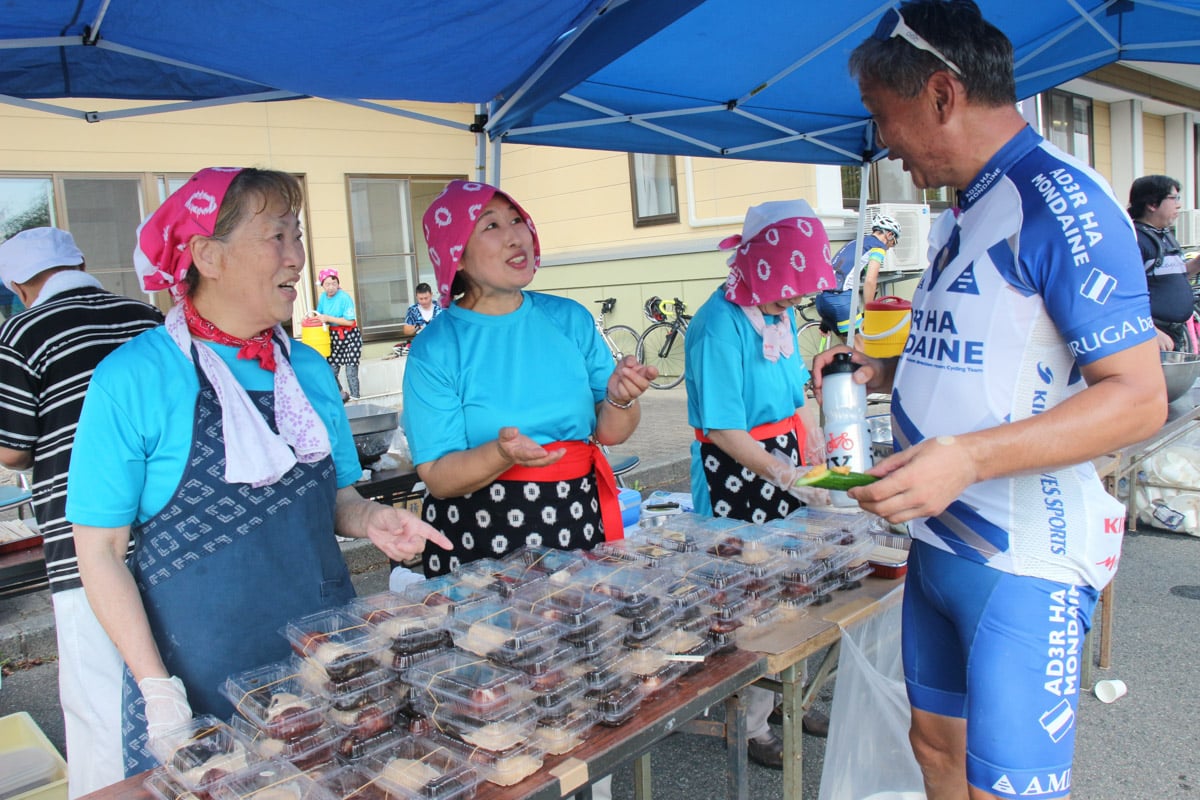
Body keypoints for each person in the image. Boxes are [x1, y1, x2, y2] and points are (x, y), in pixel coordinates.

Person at [822, 3, 1168, 799]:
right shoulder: (964, 212)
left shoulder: (1060, 202)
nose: (883, 142)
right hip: (940, 544)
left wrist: (969, 456)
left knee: (1006, 788)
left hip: (1025, 554)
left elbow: (1138, 399)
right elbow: (987, 348)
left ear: (942, 94)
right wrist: (879, 369)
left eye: (885, 117)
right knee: (935, 749)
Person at [67, 168, 450, 778]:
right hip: (202, 673)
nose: (297, 257)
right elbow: (102, 553)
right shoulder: (135, 378)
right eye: (278, 235)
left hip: (326, 658)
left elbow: (334, 497)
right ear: (207, 256)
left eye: (297, 235)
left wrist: (373, 518)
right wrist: (157, 691)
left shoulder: (307, 368)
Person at [402, 179, 657, 577]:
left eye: (517, 220)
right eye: (491, 226)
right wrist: (502, 454)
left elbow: (611, 433)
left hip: (576, 514)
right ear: (459, 257)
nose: (515, 237)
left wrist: (622, 398)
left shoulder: (570, 319)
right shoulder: (436, 347)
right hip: (481, 534)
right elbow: (437, 476)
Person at [0, 227, 162, 798]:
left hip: (86, 547)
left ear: (19, 286)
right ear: (81, 262)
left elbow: (13, 446)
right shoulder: (145, 316)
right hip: (172, 538)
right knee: (170, 692)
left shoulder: (22, 330)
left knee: (101, 709)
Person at [683, 198, 836, 769]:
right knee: (749, 601)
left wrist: (812, 444)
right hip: (735, 470)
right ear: (757, 269)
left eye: (801, 291)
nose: (795, 300)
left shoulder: (778, 314)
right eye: (789, 289)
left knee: (800, 584)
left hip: (785, 459)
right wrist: (783, 472)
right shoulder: (716, 326)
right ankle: (749, 722)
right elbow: (722, 427)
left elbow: (796, 396)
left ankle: (795, 701)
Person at [1128, 175, 1200, 352]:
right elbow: (1124, 294)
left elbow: (1176, 277)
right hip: (1152, 335)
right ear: (1152, 204)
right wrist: (1150, 329)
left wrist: (1197, 263)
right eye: (1173, 198)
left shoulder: (1165, 235)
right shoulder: (1134, 239)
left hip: (1175, 333)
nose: (1179, 204)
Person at [815, 214, 902, 339]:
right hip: (841, 299)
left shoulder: (855, 243)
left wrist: (826, 320)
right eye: (893, 243)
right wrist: (870, 310)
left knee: (849, 350)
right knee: (861, 349)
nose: (890, 247)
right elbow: (870, 281)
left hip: (823, 300)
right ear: (889, 235)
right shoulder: (878, 247)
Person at [311, 267, 362, 399]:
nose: (331, 287)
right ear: (322, 285)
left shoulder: (345, 297)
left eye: (334, 283)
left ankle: (356, 397)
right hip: (333, 337)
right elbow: (320, 315)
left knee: (351, 370)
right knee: (330, 371)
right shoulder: (323, 298)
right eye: (327, 284)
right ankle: (342, 395)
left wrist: (328, 318)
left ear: (338, 284)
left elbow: (350, 322)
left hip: (350, 336)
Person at [393, 281, 442, 356]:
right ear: (416, 297)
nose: (424, 301)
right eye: (420, 299)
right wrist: (418, 327)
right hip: (421, 347)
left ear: (431, 295)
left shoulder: (440, 307)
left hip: (440, 345)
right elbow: (406, 330)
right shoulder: (413, 310)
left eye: (426, 298)